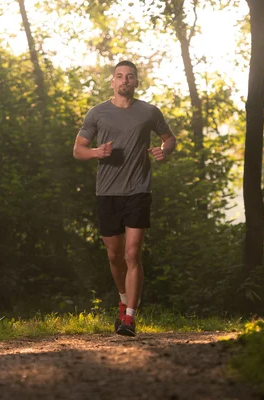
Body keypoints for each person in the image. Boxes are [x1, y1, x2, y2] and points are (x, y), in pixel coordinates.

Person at [73, 60, 176, 337]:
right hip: (107, 192)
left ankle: (129, 317)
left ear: (136, 82)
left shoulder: (149, 112)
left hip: (138, 190)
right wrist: (97, 153)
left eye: (130, 77)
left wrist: (164, 152)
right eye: (120, 76)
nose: (125, 81)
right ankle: (123, 300)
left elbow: (170, 140)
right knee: (114, 254)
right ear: (112, 81)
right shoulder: (97, 113)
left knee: (132, 253)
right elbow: (78, 150)